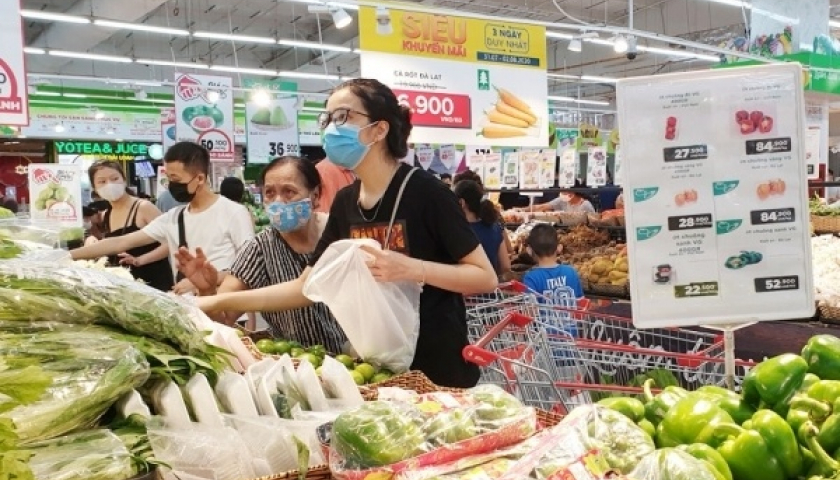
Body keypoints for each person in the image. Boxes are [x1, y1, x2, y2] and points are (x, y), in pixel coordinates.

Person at [180, 78, 498, 388]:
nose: (332, 127)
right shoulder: (346, 202)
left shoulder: (427, 192)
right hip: (378, 369)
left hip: (438, 368)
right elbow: (305, 287)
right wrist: (213, 302)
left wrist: (413, 269)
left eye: (343, 116)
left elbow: (484, 277)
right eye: (328, 118)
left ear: (379, 129)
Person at [179, 156, 346, 351]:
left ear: (315, 195)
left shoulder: (339, 235)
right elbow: (224, 319)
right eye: (269, 193)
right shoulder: (260, 249)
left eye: (289, 191)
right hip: (296, 359)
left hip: (357, 356)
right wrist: (207, 291)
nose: (278, 202)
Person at [70, 142, 255, 294]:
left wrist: (202, 282)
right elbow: (121, 242)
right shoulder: (174, 217)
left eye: (176, 179)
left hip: (228, 309)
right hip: (190, 308)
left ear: (199, 178)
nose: (171, 185)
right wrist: (67, 256)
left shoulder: (234, 213)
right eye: (168, 179)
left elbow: (251, 267)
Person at [87, 161, 174, 291]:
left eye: (114, 179)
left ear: (124, 180)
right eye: (102, 181)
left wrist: (139, 260)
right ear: (94, 188)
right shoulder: (106, 215)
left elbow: (172, 242)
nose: (109, 184)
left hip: (155, 282)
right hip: (125, 288)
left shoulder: (143, 207)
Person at [454, 180, 510, 277]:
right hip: (491, 284)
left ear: (461, 202)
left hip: (465, 284)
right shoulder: (495, 227)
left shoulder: (457, 231)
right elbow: (506, 267)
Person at [522, 224, 583, 299]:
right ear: (559, 248)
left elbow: (530, 305)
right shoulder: (571, 272)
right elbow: (581, 301)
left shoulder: (531, 278)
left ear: (529, 251)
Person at [522, 191, 595, 213]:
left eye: (564, 191)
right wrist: (521, 210)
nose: (561, 194)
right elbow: (542, 207)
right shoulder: (562, 200)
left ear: (572, 193)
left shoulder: (586, 205)